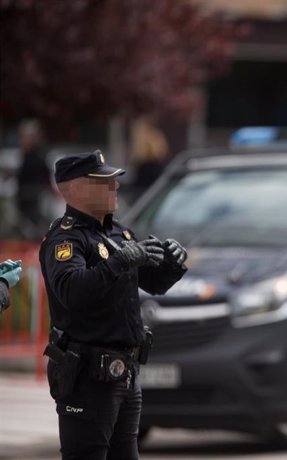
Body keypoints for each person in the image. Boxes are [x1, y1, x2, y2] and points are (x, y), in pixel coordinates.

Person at [39, 150, 188, 459]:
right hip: (89, 376)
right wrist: (118, 262)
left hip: (126, 372)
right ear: (78, 189)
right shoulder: (65, 240)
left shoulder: (118, 232)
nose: (115, 186)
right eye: (105, 181)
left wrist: (171, 264)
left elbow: (151, 283)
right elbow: (72, 291)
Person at [16, 119, 53, 238]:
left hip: (34, 196)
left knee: (36, 224)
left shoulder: (39, 156)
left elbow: (45, 176)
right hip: (25, 197)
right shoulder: (25, 155)